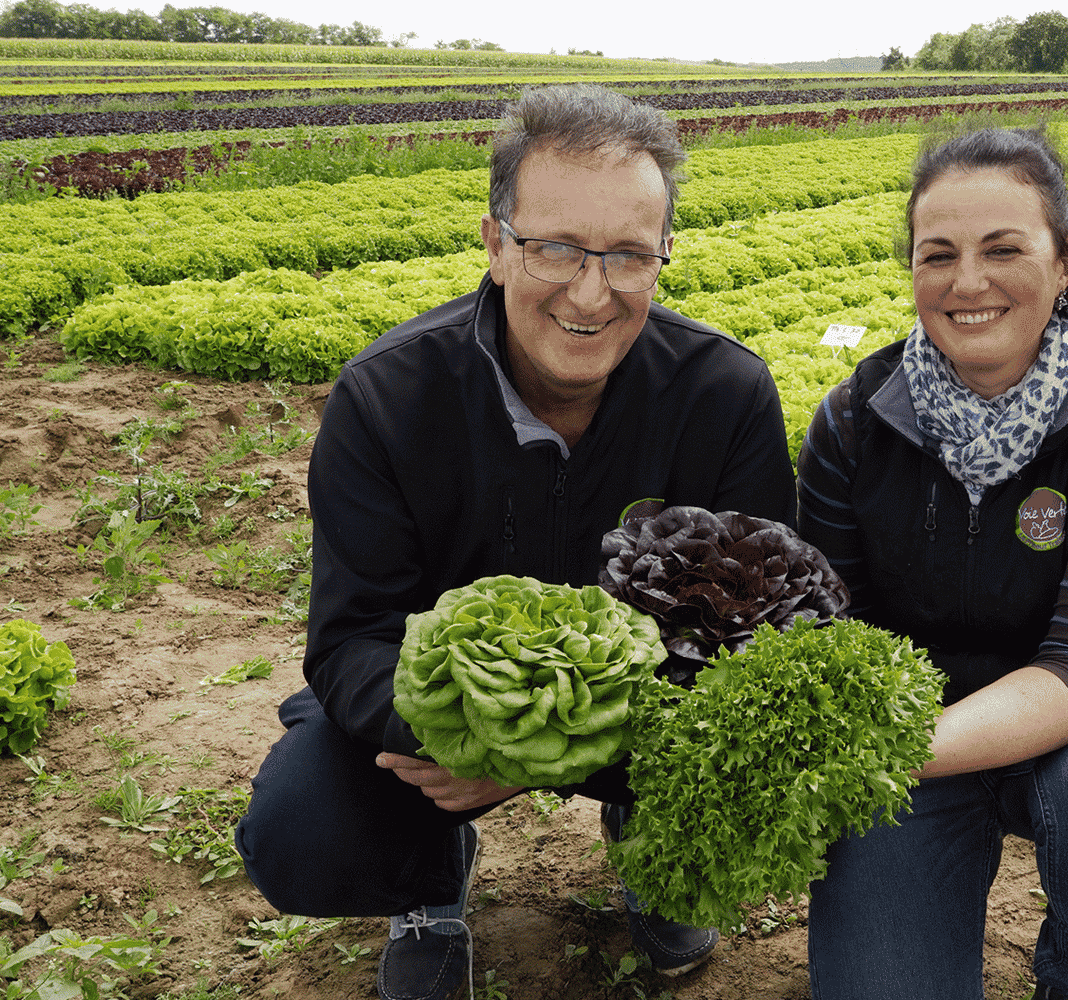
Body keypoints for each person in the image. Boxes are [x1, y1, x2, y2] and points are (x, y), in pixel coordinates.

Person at [235, 84, 795, 1000]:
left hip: (640, 720)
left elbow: (746, 639)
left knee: (759, 762)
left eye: (628, 256)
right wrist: (472, 738)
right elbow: (352, 638)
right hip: (447, 723)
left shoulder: (722, 395)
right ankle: (429, 880)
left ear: (663, 257)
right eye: (556, 248)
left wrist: (545, 751)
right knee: (307, 829)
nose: (591, 291)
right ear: (497, 245)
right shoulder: (387, 398)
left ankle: (651, 846)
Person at [795, 127, 1068, 1000]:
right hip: (903, 728)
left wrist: (890, 754)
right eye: (938, 254)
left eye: (1002, 249)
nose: (968, 282)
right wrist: (878, 747)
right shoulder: (851, 423)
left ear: (1065, 263)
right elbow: (831, 633)